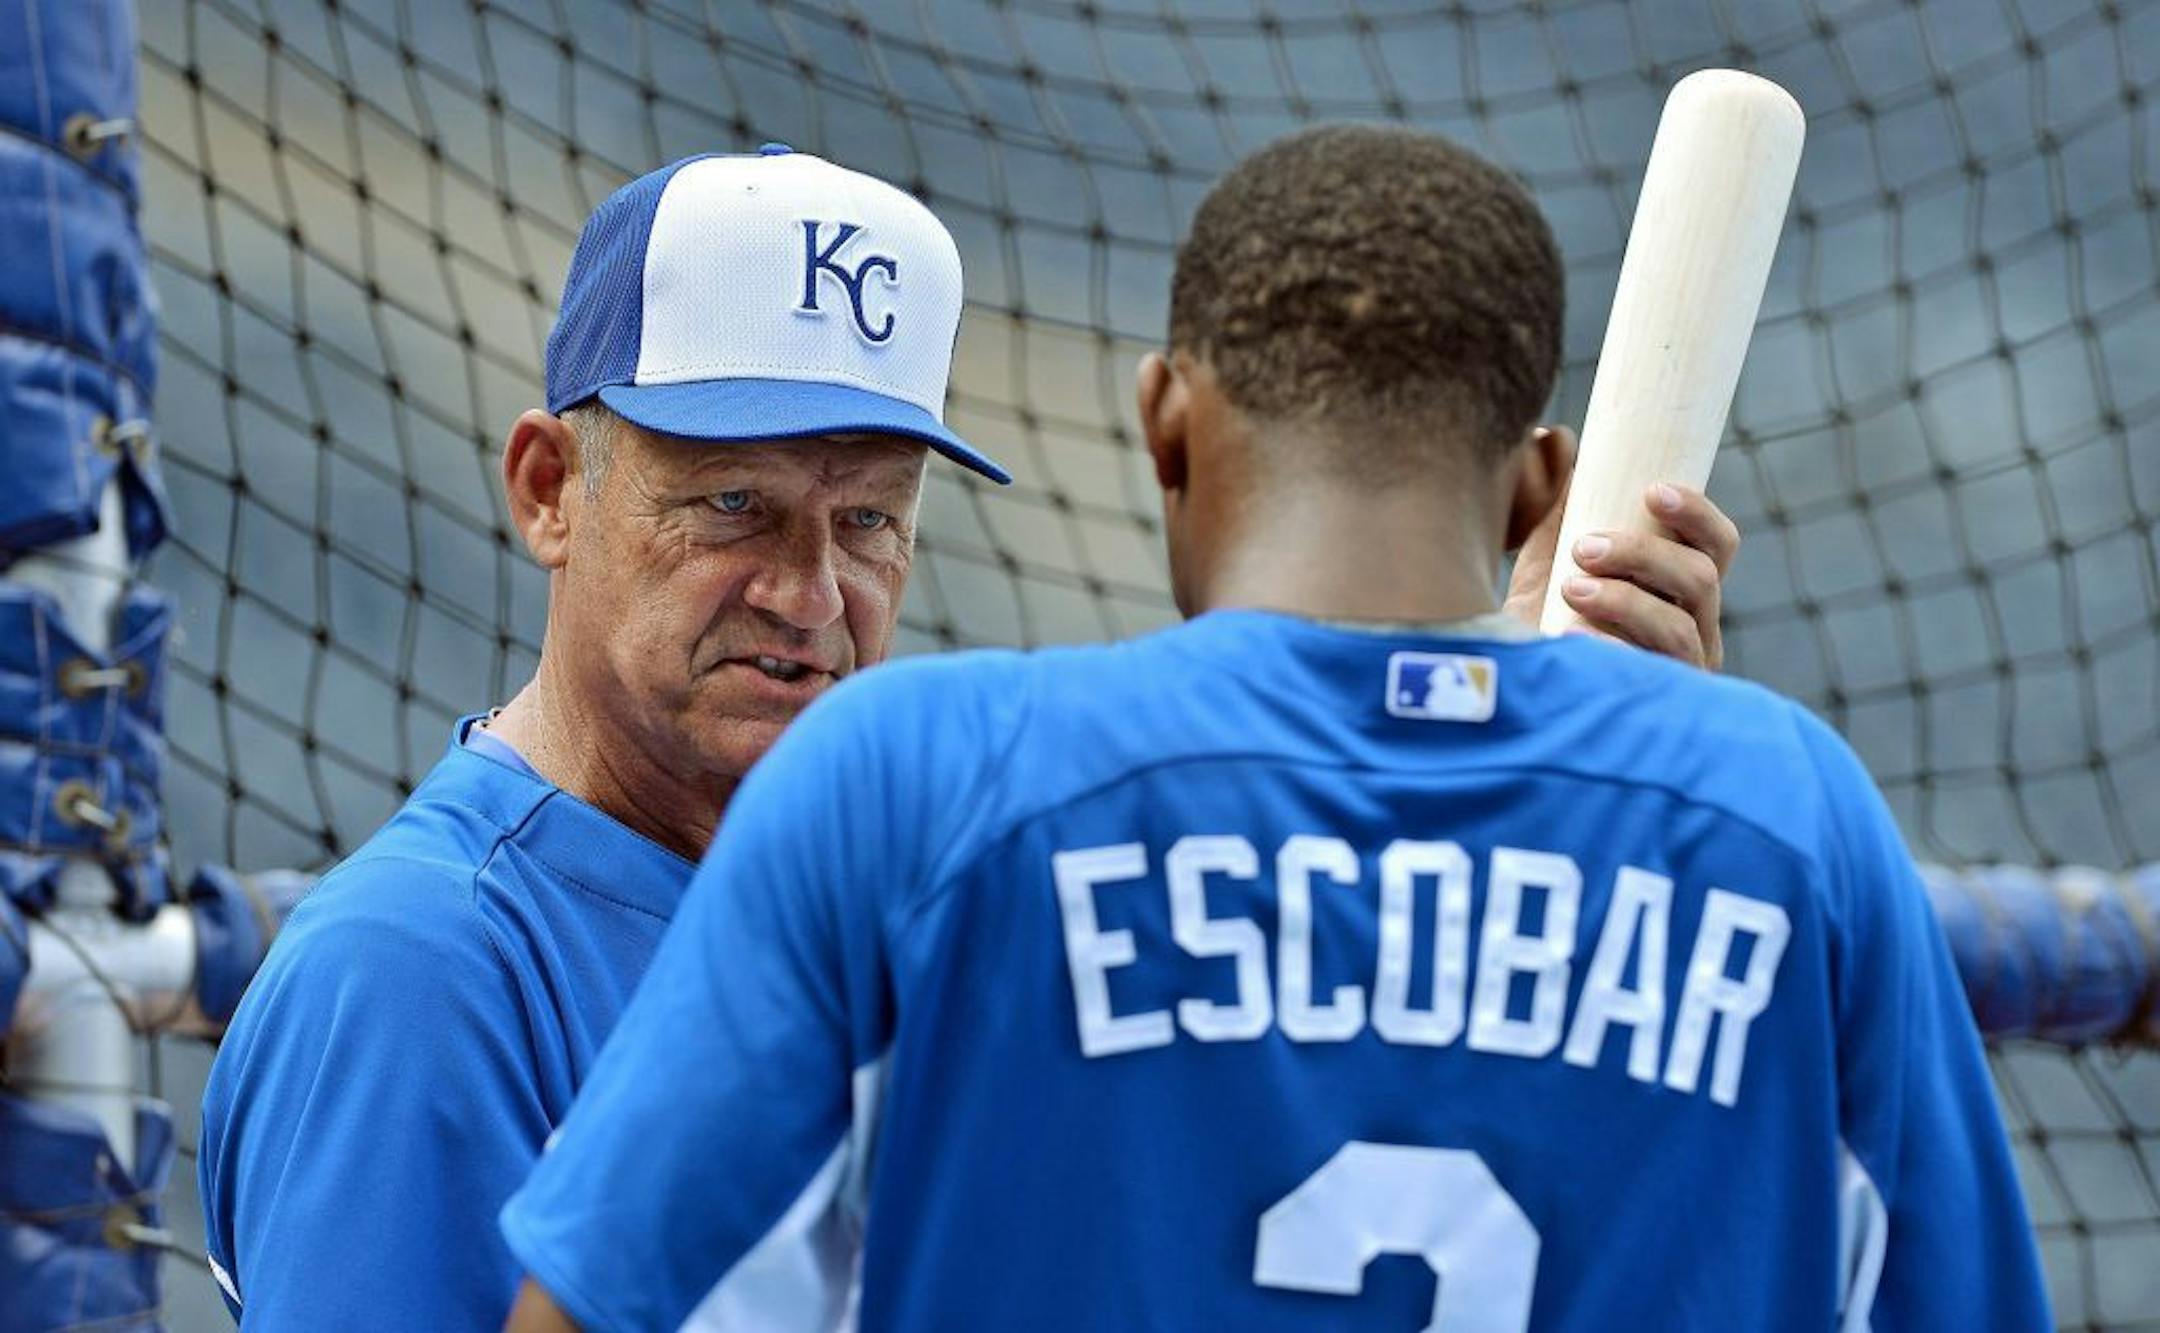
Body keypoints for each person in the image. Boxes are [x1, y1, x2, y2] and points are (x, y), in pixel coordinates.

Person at [499, 126, 2048, 1332]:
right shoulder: (1784, 819)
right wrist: (1614, 754)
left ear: (1165, 421)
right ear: (1534, 486)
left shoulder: (909, 781)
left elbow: (597, 1307)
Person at [195, 142, 1742, 1328]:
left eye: (868, 517)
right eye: (733, 503)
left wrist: (1520, 729)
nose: (810, 592)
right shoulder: (414, 972)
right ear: (548, 487)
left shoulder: (944, 899)